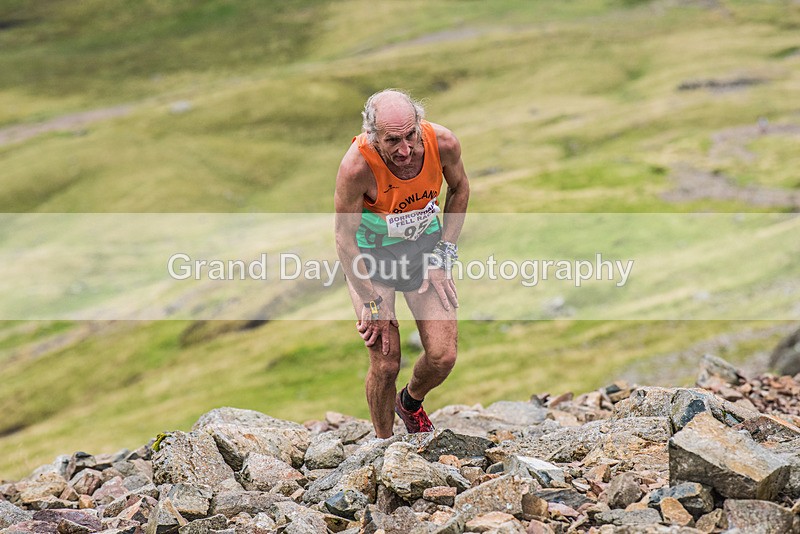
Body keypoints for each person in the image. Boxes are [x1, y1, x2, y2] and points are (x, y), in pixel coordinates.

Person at [334, 89, 470, 438]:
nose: (405, 149)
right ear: (373, 135)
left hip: (424, 251)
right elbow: (344, 239)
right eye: (393, 140)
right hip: (372, 257)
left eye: (411, 135)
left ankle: (409, 402)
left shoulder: (443, 144)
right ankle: (384, 445)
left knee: (443, 357)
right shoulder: (356, 166)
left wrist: (443, 256)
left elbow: (460, 190)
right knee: (386, 360)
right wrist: (370, 301)